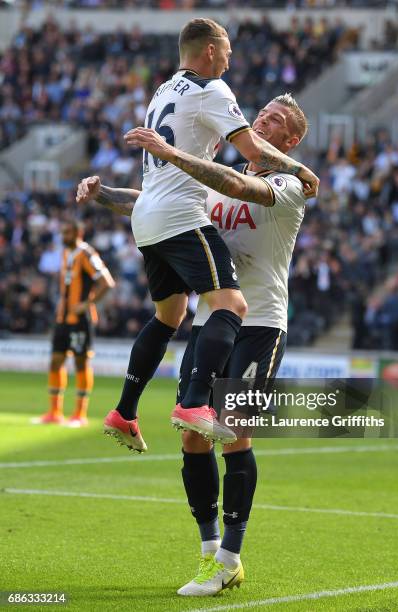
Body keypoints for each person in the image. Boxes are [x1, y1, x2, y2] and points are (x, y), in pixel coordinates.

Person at [77, 92, 309, 595]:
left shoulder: (290, 183)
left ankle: (230, 556)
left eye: (273, 120)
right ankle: (209, 553)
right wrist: (103, 194)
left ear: (289, 141)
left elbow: (233, 184)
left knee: (232, 430)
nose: (260, 120)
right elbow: (160, 204)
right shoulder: (215, 173)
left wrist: (171, 152)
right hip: (212, 323)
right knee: (191, 435)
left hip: (261, 324)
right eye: (260, 113)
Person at [95, 18, 319, 452]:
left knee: (168, 316)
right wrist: (301, 167)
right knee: (231, 302)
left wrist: (102, 192)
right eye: (229, 53)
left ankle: (124, 411)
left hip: (150, 218)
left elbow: (223, 179)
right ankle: (195, 404)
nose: (231, 62)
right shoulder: (213, 90)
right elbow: (247, 158)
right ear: (212, 51)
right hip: (178, 216)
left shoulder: (163, 90)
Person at [32, 220, 115, 427]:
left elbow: (107, 282)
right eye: (62, 232)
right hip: (62, 318)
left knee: (80, 362)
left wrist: (87, 304)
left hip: (80, 319)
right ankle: (54, 411)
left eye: (67, 232)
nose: (63, 236)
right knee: (55, 361)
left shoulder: (86, 254)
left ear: (79, 232)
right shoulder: (65, 254)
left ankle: (80, 414)